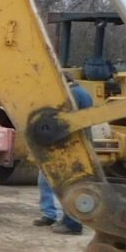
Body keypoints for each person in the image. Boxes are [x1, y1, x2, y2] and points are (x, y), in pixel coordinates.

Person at [33, 79, 99, 235]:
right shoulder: (83, 92)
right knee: (49, 180)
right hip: (75, 145)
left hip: (69, 147)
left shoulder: (73, 94)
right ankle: (59, 217)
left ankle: (72, 223)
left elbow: (66, 122)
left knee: (67, 184)